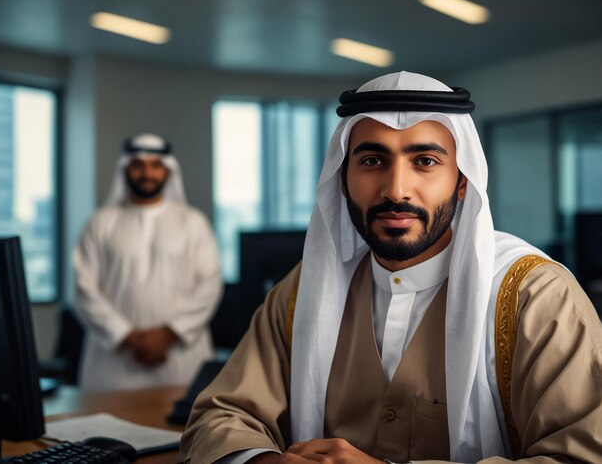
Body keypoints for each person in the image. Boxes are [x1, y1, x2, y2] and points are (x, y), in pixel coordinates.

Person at [181, 72, 602, 463]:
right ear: (342, 178)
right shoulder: (303, 291)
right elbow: (219, 417)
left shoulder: (534, 296)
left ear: (462, 181)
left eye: (425, 161)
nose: (396, 189)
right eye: (372, 161)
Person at [73, 133, 223, 391]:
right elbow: (84, 289)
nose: (147, 173)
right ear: (126, 169)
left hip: (180, 358)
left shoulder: (193, 222)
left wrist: (168, 334)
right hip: (114, 363)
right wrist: (128, 337)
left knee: (183, 428)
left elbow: (209, 286)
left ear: (168, 171)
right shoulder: (99, 223)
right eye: (138, 165)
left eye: (155, 165)